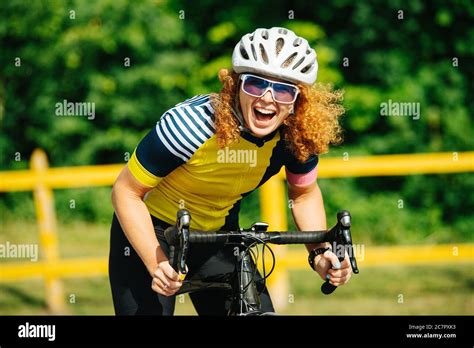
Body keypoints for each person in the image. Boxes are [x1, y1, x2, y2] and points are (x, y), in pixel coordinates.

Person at [109, 27, 351, 315]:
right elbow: (126, 192)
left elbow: (303, 194)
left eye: (284, 90)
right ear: (236, 85)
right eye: (256, 84)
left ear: (298, 101)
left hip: (220, 237)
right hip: (153, 230)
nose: (268, 99)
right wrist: (155, 261)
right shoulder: (189, 126)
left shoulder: (296, 137)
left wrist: (321, 253)